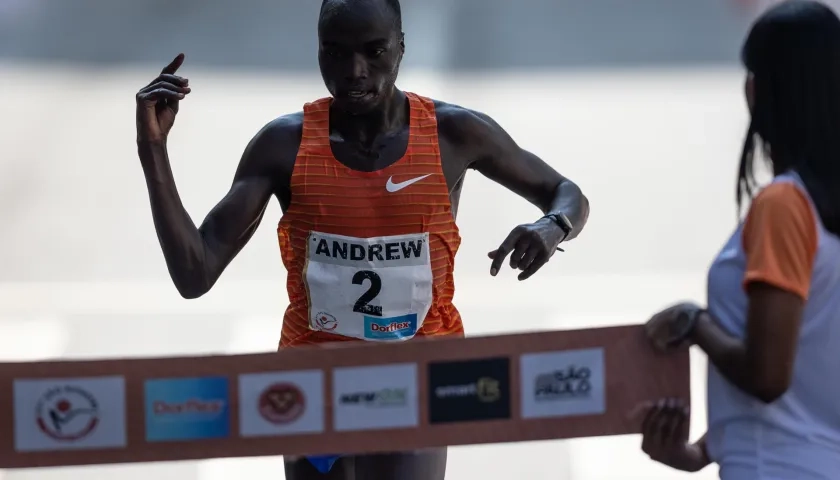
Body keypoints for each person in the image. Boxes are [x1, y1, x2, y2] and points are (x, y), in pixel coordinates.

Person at [134, 0, 589, 478]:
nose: (354, 71)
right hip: (313, 378)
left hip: (418, 370)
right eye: (335, 53)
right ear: (318, 52)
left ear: (401, 48)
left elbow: (566, 194)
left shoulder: (453, 133)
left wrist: (551, 225)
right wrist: (153, 150)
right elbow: (194, 273)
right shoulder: (284, 145)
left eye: (374, 52)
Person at [637, 1, 840, 478]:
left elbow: (768, 375)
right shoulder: (819, 204)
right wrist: (701, 451)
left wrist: (694, 323)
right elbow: (814, 362)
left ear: (761, 90)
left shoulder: (785, 206)